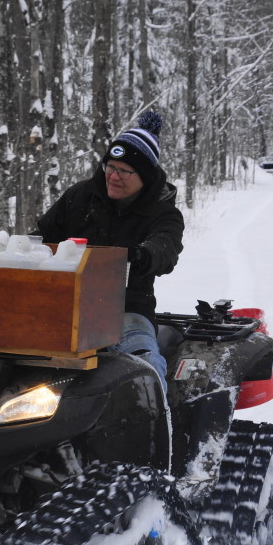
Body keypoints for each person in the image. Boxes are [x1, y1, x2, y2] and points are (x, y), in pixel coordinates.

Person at [32, 111, 183, 386]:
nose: (114, 177)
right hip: (63, 304)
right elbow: (41, 237)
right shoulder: (80, 196)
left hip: (127, 310)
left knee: (144, 367)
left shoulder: (163, 213)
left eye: (124, 171)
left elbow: (165, 249)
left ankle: (157, 420)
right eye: (110, 167)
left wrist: (140, 255)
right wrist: (22, 249)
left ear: (146, 177)